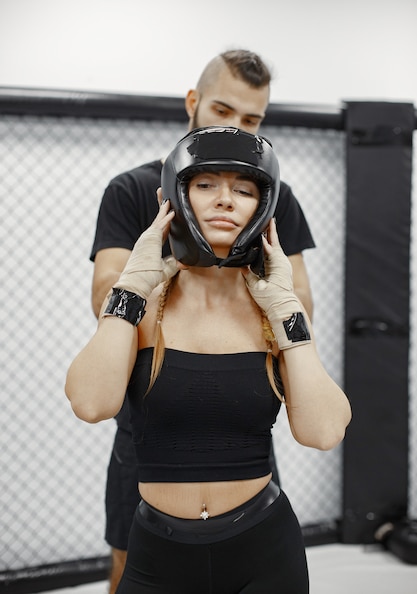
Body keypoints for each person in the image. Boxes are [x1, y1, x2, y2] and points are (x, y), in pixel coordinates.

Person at [66, 126, 351, 594]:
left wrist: (288, 312)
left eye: (243, 189)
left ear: (263, 205)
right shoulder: (142, 306)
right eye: (206, 185)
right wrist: (131, 286)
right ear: (176, 195)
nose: (225, 200)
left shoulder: (273, 312)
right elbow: (90, 403)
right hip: (157, 553)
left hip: (264, 549)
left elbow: (323, 432)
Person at [89, 49, 316, 591]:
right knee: (130, 553)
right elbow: (105, 290)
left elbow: (300, 298)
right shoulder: (135, 190)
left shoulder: (272, 200)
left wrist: (261, 305)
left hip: (240, 405)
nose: (235, 128)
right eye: (222, 110)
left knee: (251, 543)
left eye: (252, 119)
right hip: (153, 401)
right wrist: (159, 278)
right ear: (193, 103)